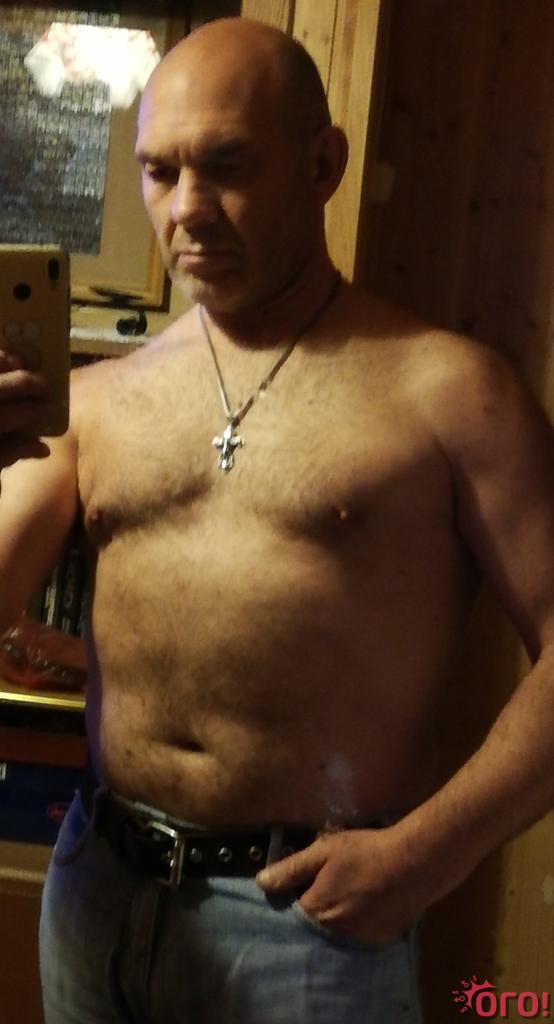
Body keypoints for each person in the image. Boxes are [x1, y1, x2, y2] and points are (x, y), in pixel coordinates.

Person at [0, 16, 553, 1024]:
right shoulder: (96, 401)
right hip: (97, 887)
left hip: (307, 922)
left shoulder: (450, 394)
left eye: (227, 166)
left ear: (322, 165)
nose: (187, 208)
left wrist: (429, 855)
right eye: (160, 172)